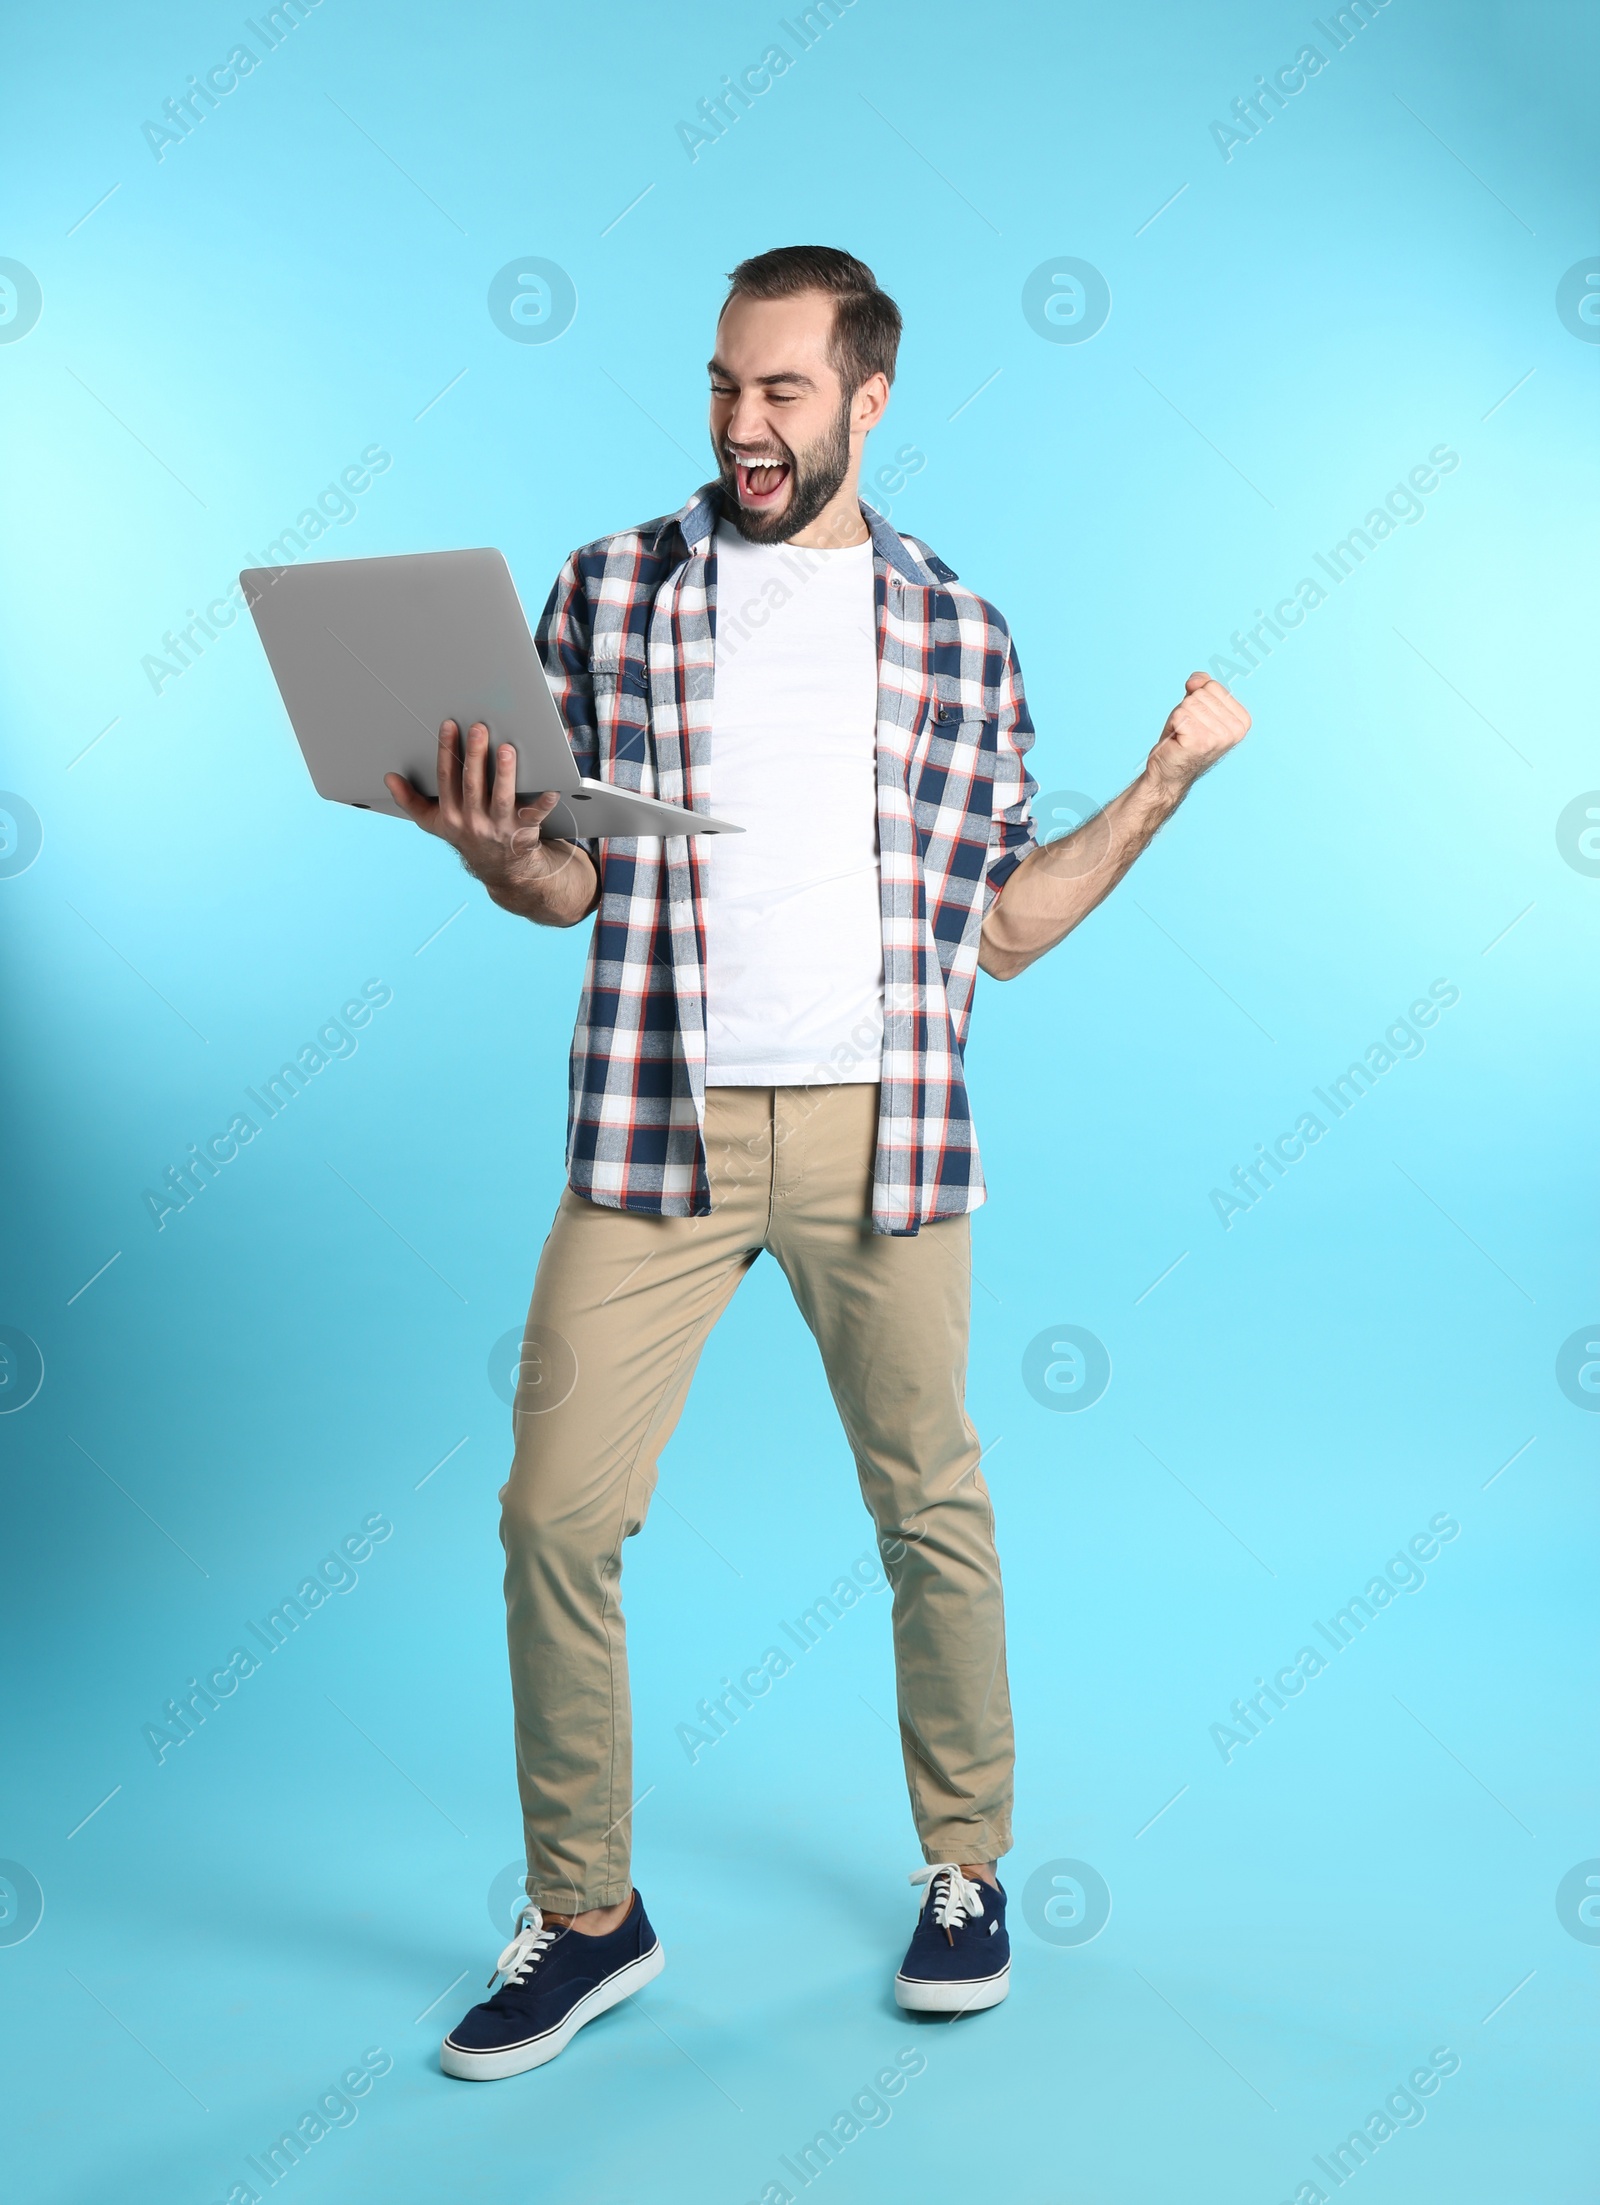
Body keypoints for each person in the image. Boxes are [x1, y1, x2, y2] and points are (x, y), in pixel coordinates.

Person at [385, 245, 1250, 2079]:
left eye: (781, 391)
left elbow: (1001, 930)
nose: (742, 425)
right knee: (553, 1515)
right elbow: (564, 880)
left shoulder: (959, 630)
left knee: (930, 1504)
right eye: (721, 384)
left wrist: (1165, 782)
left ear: (868, 398)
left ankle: (967, 1867)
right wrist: (482, 845)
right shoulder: (608, 589)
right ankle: (590, 1913)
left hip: (885, 1124)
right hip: (656, 1117)